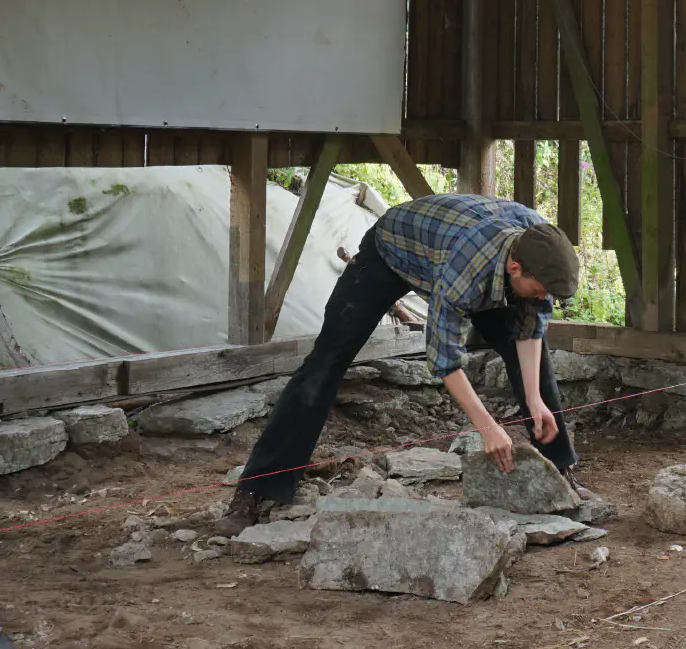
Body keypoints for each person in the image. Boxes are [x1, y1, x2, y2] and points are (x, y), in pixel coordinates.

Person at [217, 193, 583, 534]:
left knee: (534, 364)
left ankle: (559, 471)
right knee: (328, 359)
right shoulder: (464, 270)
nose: (546, 296)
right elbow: (444, 360)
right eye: (542, 289)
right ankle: (258, 489)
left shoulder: (541, 253)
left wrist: (534, 400)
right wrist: (487, 427)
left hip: (456, 250)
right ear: (516, 267)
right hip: (392, 248)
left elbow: (530, 329)